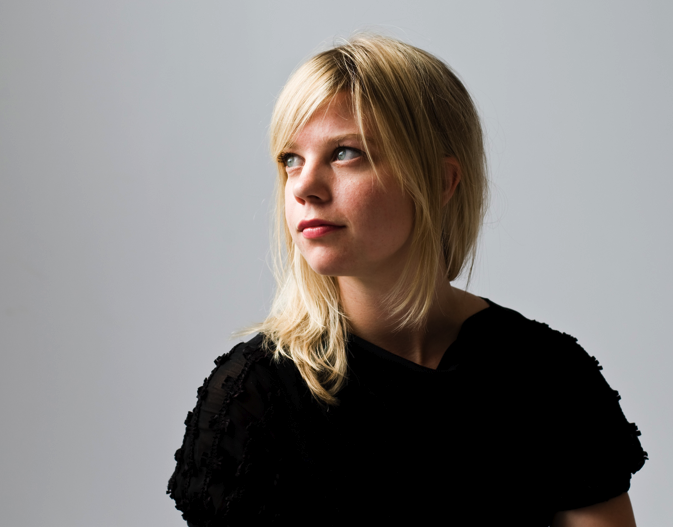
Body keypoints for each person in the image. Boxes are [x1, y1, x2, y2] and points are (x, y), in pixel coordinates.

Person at [166, 34, 647, 526]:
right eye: (291, 159)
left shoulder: (548, 375)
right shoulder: (253, 397)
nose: (304, 187)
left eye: (345, 152)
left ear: (441, 181)